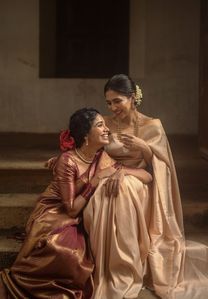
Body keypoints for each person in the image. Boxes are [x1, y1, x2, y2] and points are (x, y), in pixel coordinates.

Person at [83, 74, 208, 299]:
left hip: (140, 179)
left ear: (132, 98)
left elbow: (160, 168)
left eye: (117, 101)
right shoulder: (104, 123)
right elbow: (92, 152)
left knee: (123, 191)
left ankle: (125, 267)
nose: (112, 107)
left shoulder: (152, 125)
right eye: (108, 102)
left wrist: (143, 147)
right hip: (110, 173)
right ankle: (108, 266)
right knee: (100, 196)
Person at [0, 107, 152, 299]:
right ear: (86, 136)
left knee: (82, 255)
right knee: (66, 252)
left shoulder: (102, 157)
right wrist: (95, 182)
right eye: (100, 125)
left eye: (105, 125)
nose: (107, 129)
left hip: (81, 214)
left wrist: (122, 172)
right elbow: (70, 210)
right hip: (55, 213)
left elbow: (146, 176)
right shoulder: (67, 161)